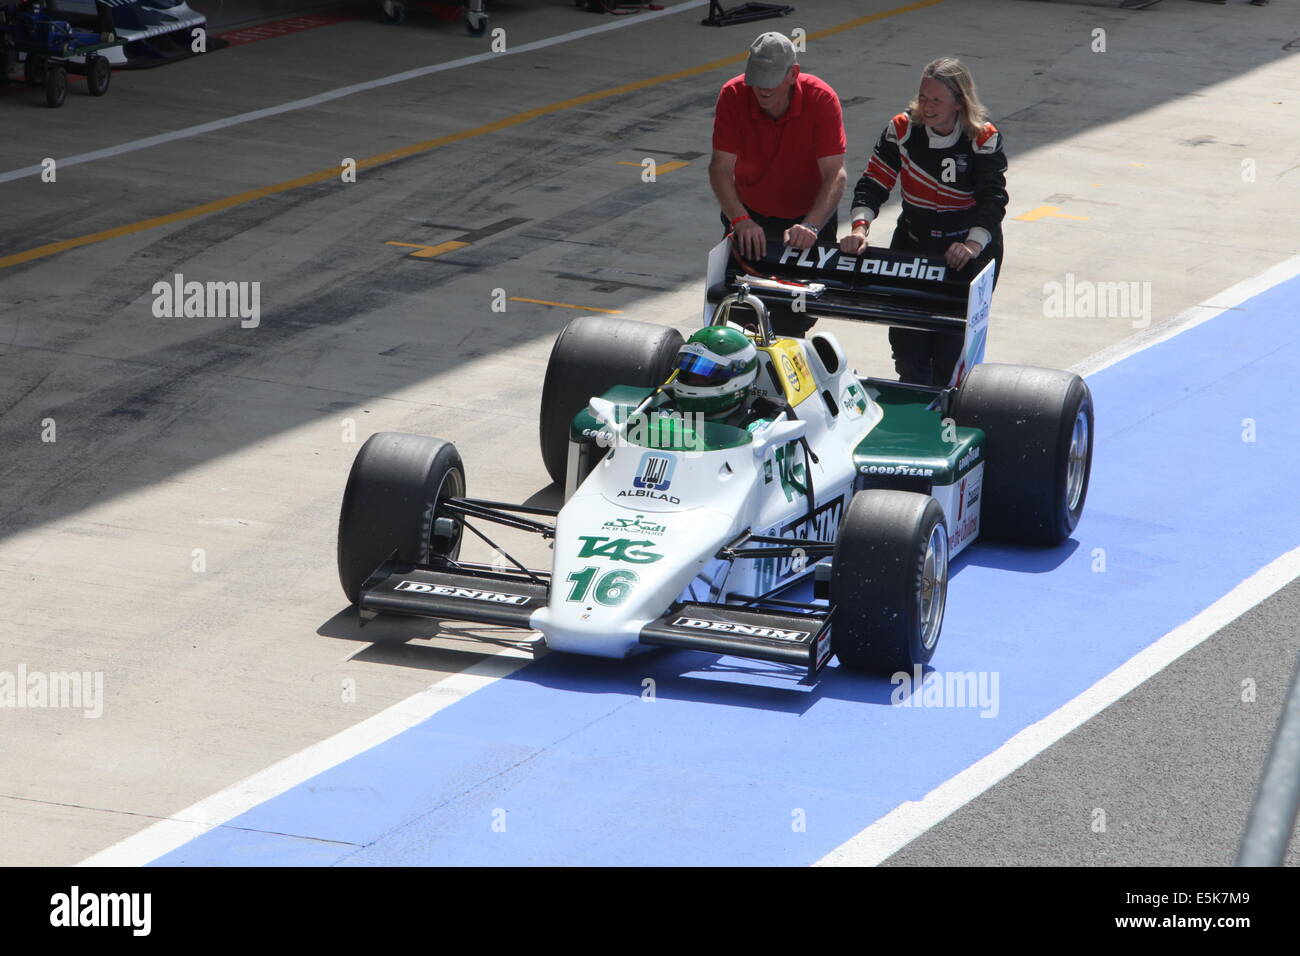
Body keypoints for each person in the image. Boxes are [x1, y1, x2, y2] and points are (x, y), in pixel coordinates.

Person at [840, 57, 1008, 386]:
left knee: (951, 354)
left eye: (936, 100)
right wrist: (860, 228)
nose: (926, 107)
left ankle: (948, 416)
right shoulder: (902, 130)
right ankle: (915, 415)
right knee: (907, 349)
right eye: (922, 97)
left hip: (967, 251)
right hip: (914, 243)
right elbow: (874, 181)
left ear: (959, 102)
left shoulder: (982, 138)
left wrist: (971, 245)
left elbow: (994, 199)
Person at [710, 32, 847, 264]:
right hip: (748, 212)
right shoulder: (733, 94)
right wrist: (740, 218)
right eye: (757, 79)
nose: (763, 89)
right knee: (736, 293)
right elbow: (720, 167)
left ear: (793, 74)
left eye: (771, 79)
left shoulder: (821, 98)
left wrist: (811, 225)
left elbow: (834, 173)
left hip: (810, 214)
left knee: (810, 293)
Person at [667, 326, 784, 430]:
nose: (692, 381)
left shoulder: (758, 429)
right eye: (688, 372)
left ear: (739, 378)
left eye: (703, 376)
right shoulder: (664, 410)